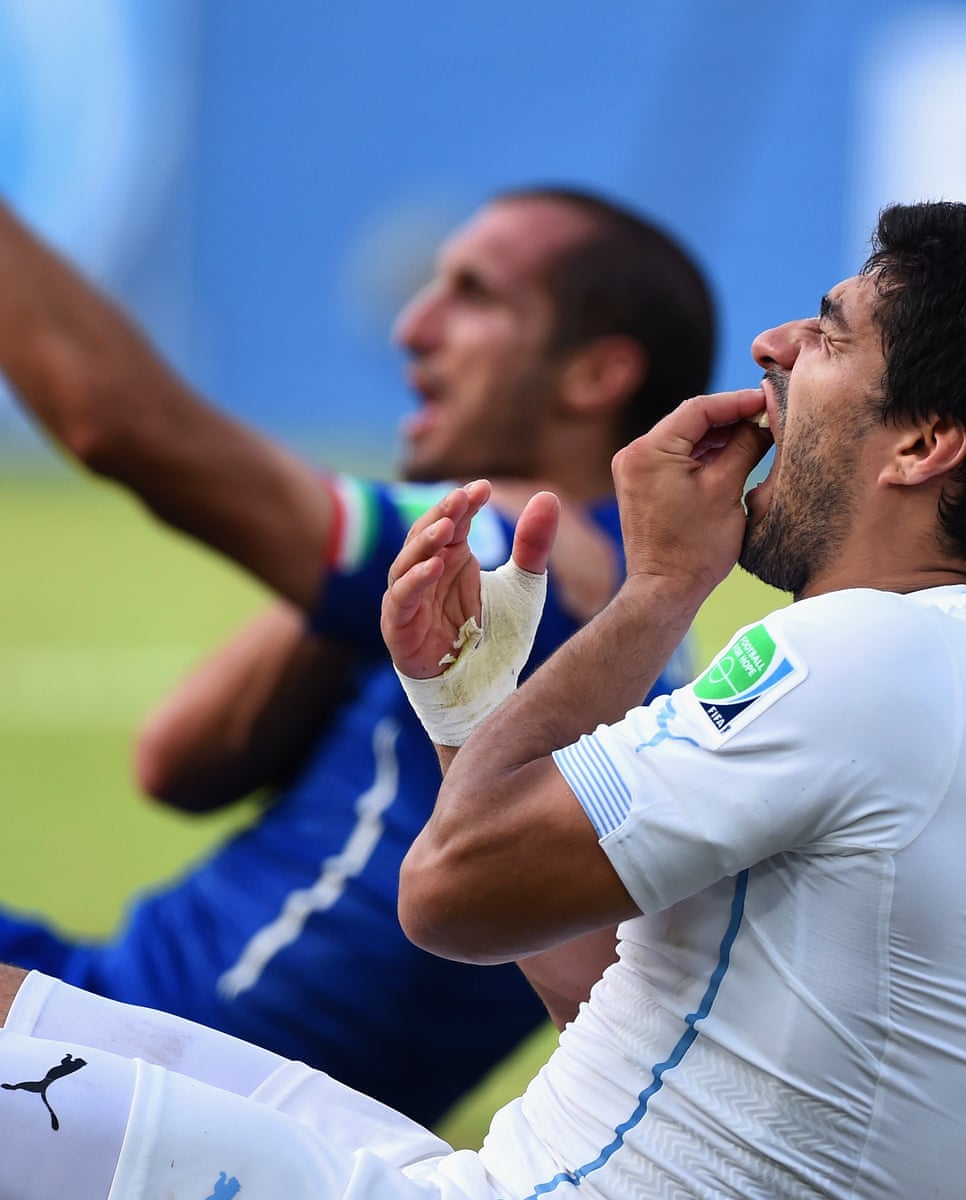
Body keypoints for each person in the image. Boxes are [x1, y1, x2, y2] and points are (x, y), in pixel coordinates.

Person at [0, 199, 966, 1199]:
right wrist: (467, 710)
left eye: (830, 333)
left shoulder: (863, 656)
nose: (771, 346)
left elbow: (449, 894)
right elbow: (620, 997)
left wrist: (661, 591)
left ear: (920, 443)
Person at [0, 185, 715, 1126]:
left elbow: (124, 427)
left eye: (472, 294)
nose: (412, 327)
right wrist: (367, 591)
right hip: (109, 1004)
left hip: (165, 1079)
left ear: (592, 378)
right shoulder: (586, 605)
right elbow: (175, 762)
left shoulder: (524, 555)